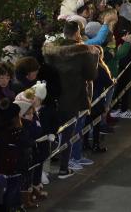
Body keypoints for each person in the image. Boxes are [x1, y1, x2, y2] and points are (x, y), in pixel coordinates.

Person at [42, 20, 100, 179]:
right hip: (73, 97)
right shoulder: (83, 52)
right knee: (69, 133)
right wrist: (94, 57)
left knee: (49, 134)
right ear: (76, 33)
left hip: (51, 98)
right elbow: (91, 75)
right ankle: (63, 168)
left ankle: (43, 172)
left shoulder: (50, 51)